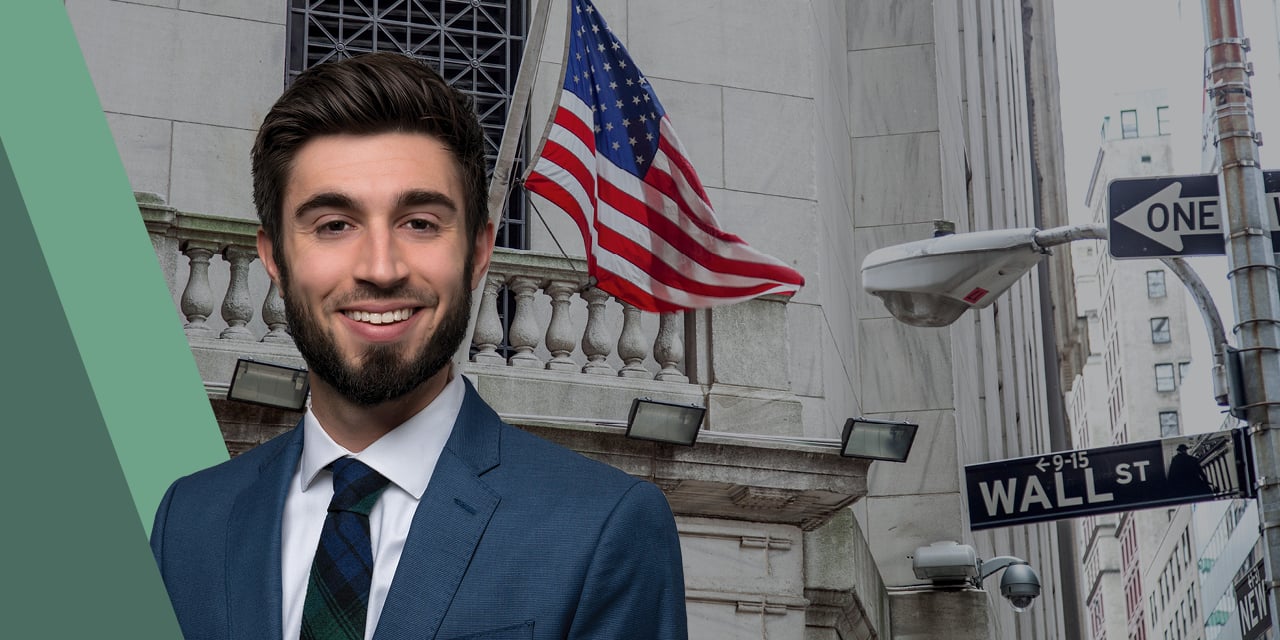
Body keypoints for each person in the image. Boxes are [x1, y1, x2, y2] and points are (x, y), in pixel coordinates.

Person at [149, 52, 688, 640]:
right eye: (334, 224)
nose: (381, 268)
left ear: (478, 251)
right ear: (275, 256)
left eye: (421, 222)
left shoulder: (603, 528)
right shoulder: (189, 522)